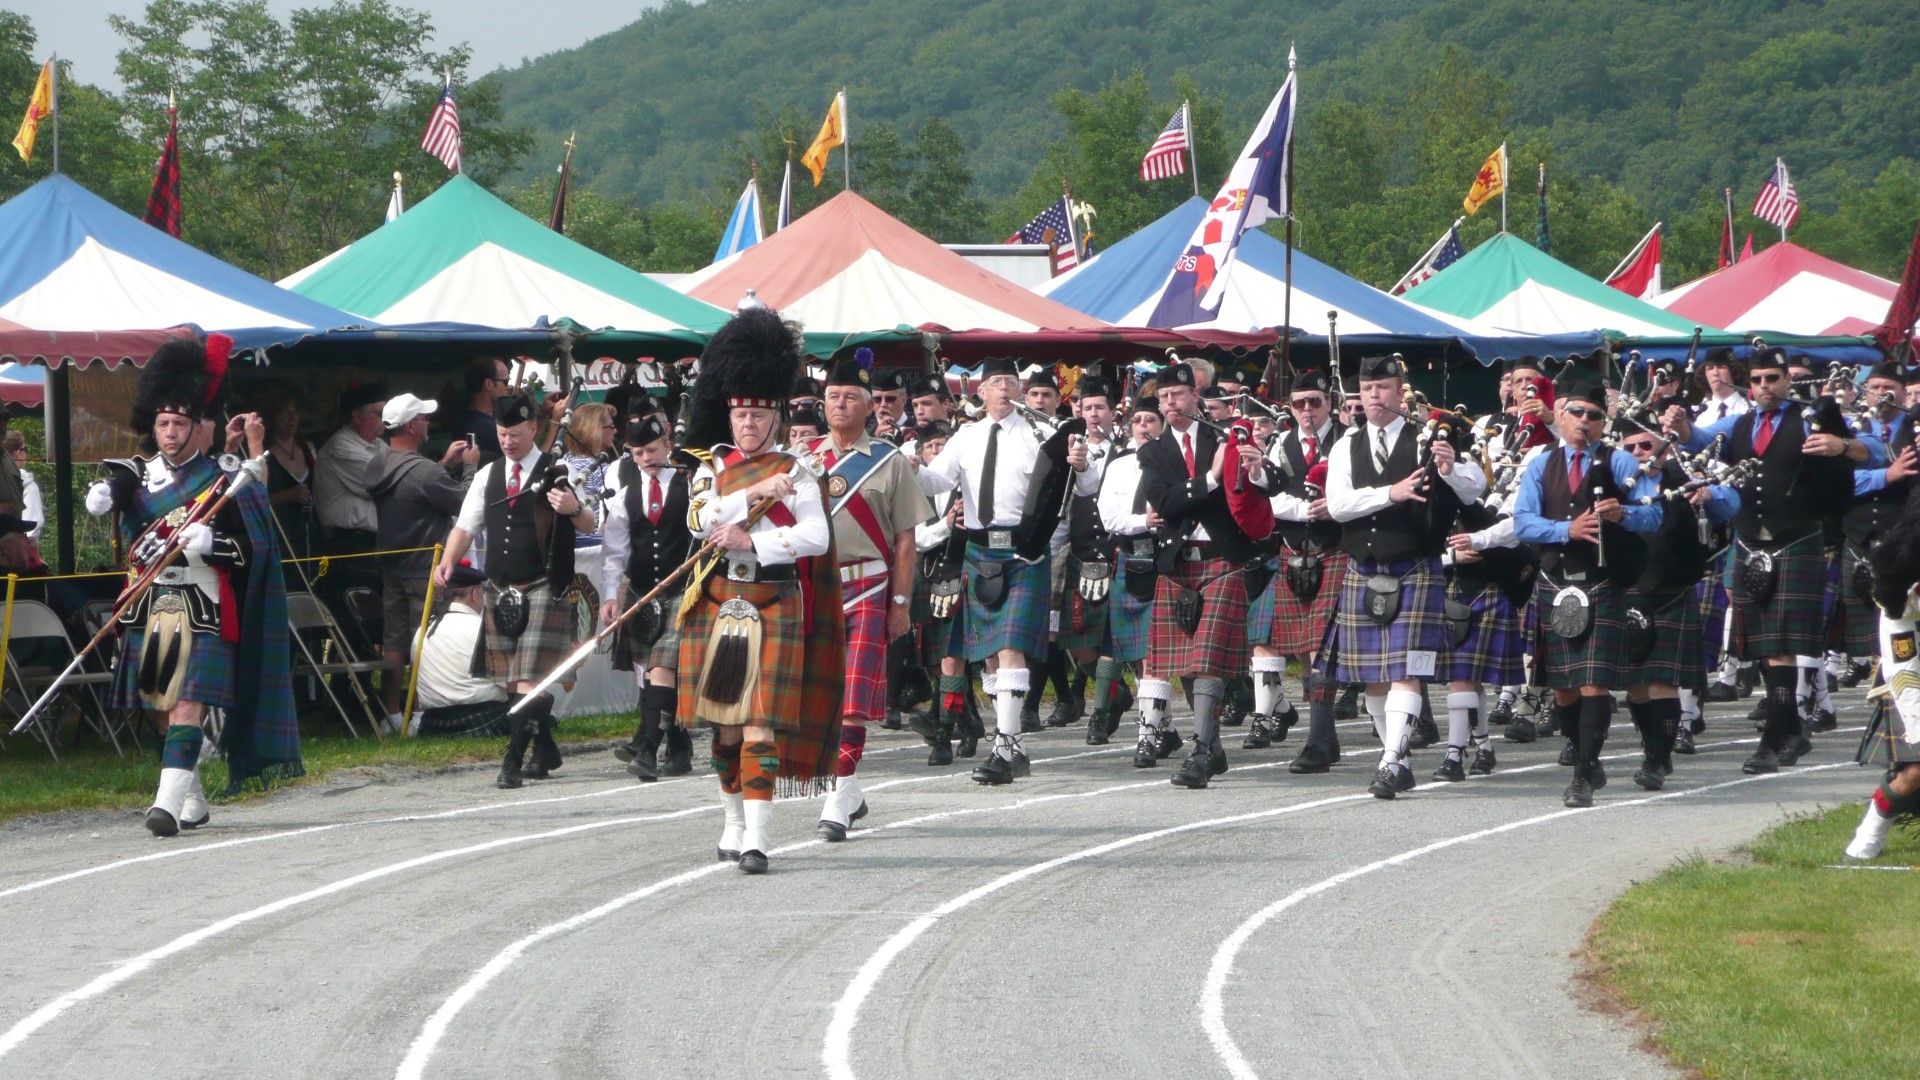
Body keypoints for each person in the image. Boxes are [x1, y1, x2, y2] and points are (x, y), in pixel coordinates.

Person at [85, 334, 297, 835]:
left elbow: (255, 552)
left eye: (180, 423)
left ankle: (164, 807)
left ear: (198, 425)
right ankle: (192, 801)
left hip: (201, 603)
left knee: (187, 703)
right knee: (161, 711)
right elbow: (118, 493)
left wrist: (211, 545)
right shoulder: (134, 476)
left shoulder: (226, 480)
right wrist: (103, 497)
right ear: (151, 425)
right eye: (163, 423)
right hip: (149, 603)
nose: (171, 432)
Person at [676, 306, 845, 874]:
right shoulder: (711, 468)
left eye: (757, 415)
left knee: (760, 719)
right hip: (719, 601)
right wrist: (750, 497)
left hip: (774, 600)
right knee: (723, 725)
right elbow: (698, 521)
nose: (748, 424)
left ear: (775, 415)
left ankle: (758, 839)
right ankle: (731, 822)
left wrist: (757, 544)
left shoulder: (798, 471)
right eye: (740, 414)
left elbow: (817, 539)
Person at [1665, 347, 1880, 773]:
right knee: (1764, 651)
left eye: (1773, 379)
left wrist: (1842, 444)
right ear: (1751, 385)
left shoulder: (1811, 419)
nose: (1766, 386)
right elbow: (1703, 440)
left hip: (1797, 540)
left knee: (1781, 648)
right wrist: (1682, 425)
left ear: (1786, 381)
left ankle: (1771, 741)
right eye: (1759, 380)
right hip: (1750, 545)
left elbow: (1872, 448)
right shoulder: (1740, 423)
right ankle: (1793, 731)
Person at [917, 355, 1094, 784]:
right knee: (992, 659)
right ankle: (1013, 747)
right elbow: (935, 484)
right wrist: (905, 468)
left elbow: (1083, 488)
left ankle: (1002, 747)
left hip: (1024, 550)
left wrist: (1083, 465)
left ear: (1018, 389)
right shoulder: (965, 436)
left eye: (1010, 382)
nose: (1003, 389)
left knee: (1010, 647)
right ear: (981, 391)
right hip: (979, 549)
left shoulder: (1044, 434)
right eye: (995, 382)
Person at [1324, 354, 1487, 799]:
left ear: (1400, 391)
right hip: (1363, 570)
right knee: (1373, 677)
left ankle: (1392, 760)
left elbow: (1477, 486)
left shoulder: (1426, 439)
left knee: (1406, 670)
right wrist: (1390, 494)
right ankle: (1394, 753)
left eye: (1383, 387)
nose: (1373, 396)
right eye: (1366, 388)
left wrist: (1452, 468)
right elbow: (1338, 506)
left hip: (1416, 568)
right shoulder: (1345, 445)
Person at [798, 354, 934, 840]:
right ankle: (850, 792)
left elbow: (905, 542)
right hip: (814, 588)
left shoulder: (890, 462)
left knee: (854, 697)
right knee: (823, 697)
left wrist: (900, 605)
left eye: (850, 397)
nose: (840, 404)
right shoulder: (802, 460)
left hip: (870, 586)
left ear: (866, 406)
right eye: (832, 397)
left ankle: (840, 792)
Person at [434, 390, 600, 788]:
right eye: (502, 433)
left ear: (533, 428)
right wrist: (448, 560)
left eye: (515, 434)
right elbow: (466, 525)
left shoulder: (557, 469)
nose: (508, 441)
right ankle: (544, 748)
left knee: (528, 681)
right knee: (512, 681)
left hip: (545, 585)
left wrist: (572, 509)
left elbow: (590, 523)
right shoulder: (490, 475)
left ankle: (511, 761)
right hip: (500, 587)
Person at [1511, 377, 1664, 807]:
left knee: (1595, 683)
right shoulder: (1541, 464)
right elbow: (1522, 522)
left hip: (1602, 583)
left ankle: (1582, 774)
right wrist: (1567, 529)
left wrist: (1624, 514)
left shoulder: (1621, 464)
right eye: (1576, 412)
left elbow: (1654, 515)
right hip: (1555, 583)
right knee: (1563, 688)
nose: (1584, 421)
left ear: (1603, 422)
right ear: (1559, 416)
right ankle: (1585, 758)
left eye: (1593, 415)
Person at [1137, 361, 1273, 788]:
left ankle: (1200, 749)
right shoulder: (1152, 451)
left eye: (1177, 395)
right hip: (1177, 564)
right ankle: (1212, 748)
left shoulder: (1224, 437)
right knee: (1185, 665)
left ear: (1195, 396)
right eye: (1163, 398)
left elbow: (1267, 486)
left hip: (1221, 558)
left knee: (1207, 659)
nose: (1170, 403)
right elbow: (1166, 502)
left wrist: (1255, 469)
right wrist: (1211, 478)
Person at [1617, 415, 1738, 789]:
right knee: (1635, 686)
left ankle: (1658, 758)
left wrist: (1708, 493)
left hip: (1673, 590)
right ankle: (1652, 743)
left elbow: (1731, 503)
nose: (1638, 453)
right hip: (1629, 589)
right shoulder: (1618, 484)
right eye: (1630, 447)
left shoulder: (1686, 475)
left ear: (1664, 445)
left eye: (1645, 445)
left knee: (1661, 681)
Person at [366, 392, 477, 731]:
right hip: (425, 568)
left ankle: (391, 714)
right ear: (412, 425)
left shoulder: (377, 464)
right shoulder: (424, 472)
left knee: (395, 643)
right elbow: (464, 503)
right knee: (425, 641)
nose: (429, 422)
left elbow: (414, 487)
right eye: (425, 418)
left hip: (392, 566)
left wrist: (443, 465)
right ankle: (418, 715)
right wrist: (470, 466)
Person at [1252, 369, 1347, 765]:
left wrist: (1333, 508)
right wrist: (1305, 509)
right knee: (1309, 648)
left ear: (1329, 403)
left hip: (1338, 551)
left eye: (1315, 402)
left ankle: (1321, 740)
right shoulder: (1280, 445)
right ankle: (1322, 736)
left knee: (1327, 648)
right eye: (1298, 404)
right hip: (1294, 554)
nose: (1307, 411)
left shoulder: (1349, 439)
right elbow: (1266, 500)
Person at [601, 408, 695, 780]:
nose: (647, 459)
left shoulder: (690, 485)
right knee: (652, 673)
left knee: (663, 668)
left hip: (681, 591)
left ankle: (648, 751)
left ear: (667, 445)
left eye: (653, 449)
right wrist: (611, 596)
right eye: (639, 453)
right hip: (642, 594)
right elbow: (614, 553)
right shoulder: (623, 497)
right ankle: (678, 742)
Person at [1846, 484, 1920, 859]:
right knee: (1915, 772)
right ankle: (1868, 835)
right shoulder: (1901, 596)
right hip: (1912, 675)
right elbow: (1903, 665)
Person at [1088, 395, 1163, 745]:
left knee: (1153, 649)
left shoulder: (1172, 462)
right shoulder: (1118, 464)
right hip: (1127, 557)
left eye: (1150, 419)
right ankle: (1100, 717)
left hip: (1161, 560)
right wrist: (1142, 520)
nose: (1144, 426)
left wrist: (1148, 523)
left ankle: (1152, 728)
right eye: (1138, 420)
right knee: (1112, 644)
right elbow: (1109, 517)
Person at [411, 561, 511, 736]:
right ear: (474, 594)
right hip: (483, 717)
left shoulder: (423, 631)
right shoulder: (486, 629)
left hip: (433, 725)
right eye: (483, 591)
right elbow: (510, 682)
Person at [250, 386, 317, 567]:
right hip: (277, 534)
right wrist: (286, 496)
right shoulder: (261, 455)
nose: (292, 418)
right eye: (284, 413)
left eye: (294, 412)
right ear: (272, 417)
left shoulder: (308, 449)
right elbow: (251, 500)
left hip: (309, 535)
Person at [457, 356, 513, 461]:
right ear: (489, 384)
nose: (508, 387)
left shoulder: (464, 418)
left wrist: (542, 414)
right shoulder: (489, 428)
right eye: (506, 381)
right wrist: (554, 421)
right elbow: (529, 460)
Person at [3, 431, 42, 546]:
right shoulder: (28, 485)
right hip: (19, 551)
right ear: (18, 453)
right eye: (25, 449)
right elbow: (32, 524)